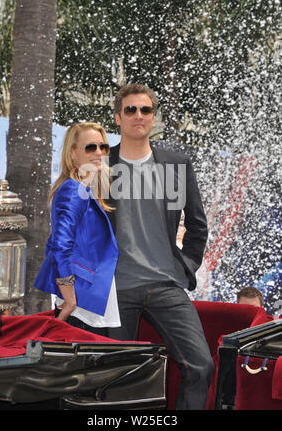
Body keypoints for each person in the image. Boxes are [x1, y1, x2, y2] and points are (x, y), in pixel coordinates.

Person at [106, 83, 214, 410]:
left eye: (146, 110)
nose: (139, 116)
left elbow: (197, 224)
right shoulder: (99, 164)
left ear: (153, 117)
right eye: (131, 110)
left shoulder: (176, 164)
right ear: (117, 118)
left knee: (201, 365)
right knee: (115, 377)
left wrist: (188, 266)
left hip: (166, 284)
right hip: (116, 288)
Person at [34, 122, 120, 336]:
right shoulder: (74, 189)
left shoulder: (84, 189)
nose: (99, 153)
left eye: (103, 147)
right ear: (72, 154)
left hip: (88, 301)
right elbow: (60, 246)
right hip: (82, 305)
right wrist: (70, 298)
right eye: (90, 147)